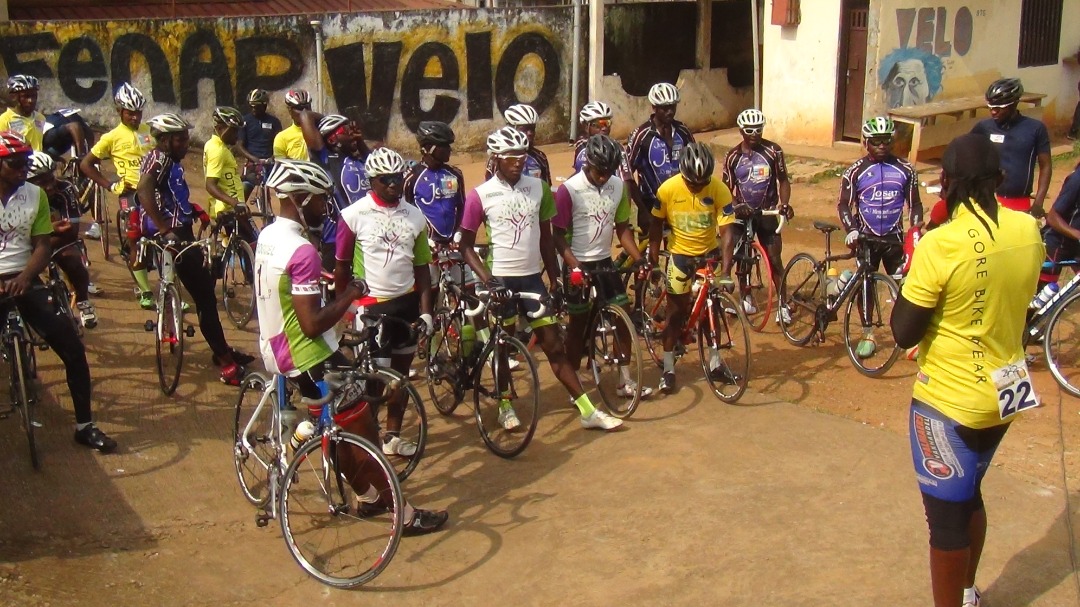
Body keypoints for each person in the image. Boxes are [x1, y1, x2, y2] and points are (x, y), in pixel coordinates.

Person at [256, 158, 448, 535]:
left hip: (276, 346)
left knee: (339, 427)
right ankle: (405, 516)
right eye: (318, 200)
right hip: (308, 353)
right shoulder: (302, 250)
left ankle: (367, 493)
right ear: (299, 198)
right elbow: (312, 323)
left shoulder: (268, 237)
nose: (324, 207)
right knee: (364, 433)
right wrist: (351, 294)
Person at [891, 133, 1043, 607]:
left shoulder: (941, 245)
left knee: (946, 523)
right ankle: (969, 591)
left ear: (945, 183)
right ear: (1000, 180)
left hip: (949, 402)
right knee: (969, 492)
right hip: (1006, 394)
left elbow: (903, 331)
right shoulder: (1028, 230)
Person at [461, 126, 623, 431]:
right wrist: (487, 280)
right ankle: (505, 404)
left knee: (554, 346)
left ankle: (588, 411)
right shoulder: (479, 196)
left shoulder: (539, 189)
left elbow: (547, 241)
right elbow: (466, 247)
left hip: (532, 280)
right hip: (501, 282)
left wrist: (554, 281)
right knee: (502, 347)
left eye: (521, 155)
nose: (518, 161)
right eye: (510, 156)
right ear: (495, 157)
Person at [0, 131, 115, 452]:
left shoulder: (35, 195)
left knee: (74, 351)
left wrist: (25, 276)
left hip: (25, 278)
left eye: (25, 163)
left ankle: (84, 426)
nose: (22, 169)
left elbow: (40, 245)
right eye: (14, 164)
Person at [135, 113, 253, 386]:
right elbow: (144, 190)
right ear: (164, 140)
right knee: (205, 298)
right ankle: (225, 361)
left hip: (179, 230)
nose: (186, 143)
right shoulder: (160, 159)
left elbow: (170, 197)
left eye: (186, 137)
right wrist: (165, 229)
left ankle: (220, 348)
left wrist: (194, 210)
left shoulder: (169, 160)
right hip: (173, 236)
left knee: (205, 287)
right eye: (180, 139)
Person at [334, 147, 433, 457]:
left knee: (400, 379)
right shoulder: (353, 216)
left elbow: (422, 270)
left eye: (398, 178)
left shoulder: (415, 216)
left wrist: (427, 312)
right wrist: (343, 312)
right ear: (371, 181)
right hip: (371, 307)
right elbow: (341, 267)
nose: (393, 184)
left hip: (406, 305)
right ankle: (368, 439)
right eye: (385, 179)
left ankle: (391, 436)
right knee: (374, 381)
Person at [553, 134, 653, 399]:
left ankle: (625, 380)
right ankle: (574, 386)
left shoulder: (619, 187)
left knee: (624, 315)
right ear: (588, 164)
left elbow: (623, 228)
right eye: (599, 171)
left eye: (608, 172)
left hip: (603, 262)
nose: (603, 177)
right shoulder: (569, 191)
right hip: (577, 263)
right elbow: (557, 234)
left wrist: (639, 259)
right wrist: (574, 265)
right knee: (578, 325)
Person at [648, 142, 736, 395]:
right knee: (675, 313)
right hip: (680, 256)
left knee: (713, 310)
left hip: (708, 255)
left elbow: (727, 233)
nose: (697, 186)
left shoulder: (719, 189)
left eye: (702, 182)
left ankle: (716, 362)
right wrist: (653, 261)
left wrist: (727, 273)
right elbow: (655, 227)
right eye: (692, 182)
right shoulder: (667, 190)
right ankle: (668, 369)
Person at [837, 116, 923, 358]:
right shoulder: (855, 171)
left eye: (886, 141)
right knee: (867, 287)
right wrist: (851, 229)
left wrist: (914, 230)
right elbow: (844, 204)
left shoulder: (906, 170)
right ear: (866, 142)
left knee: (906, 289)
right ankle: (867, 334)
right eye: (876, 142)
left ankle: (910, 338)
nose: (882, 146)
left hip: (894, 239)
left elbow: (915, 204)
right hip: (866, 238)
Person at [80, 83, 156, 308]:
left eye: (138, 112)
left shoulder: (149, 131)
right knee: (135, 236)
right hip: (129, 191)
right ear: (119, 111)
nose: (135, 117)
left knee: (164, 234)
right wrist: (109, 185)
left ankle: (167, 286)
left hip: (152, 190)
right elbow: (86, 164)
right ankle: (145, 290)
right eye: (130, 112)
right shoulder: (111, 137)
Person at [722, 108, 793, 319]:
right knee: (740, 256)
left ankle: (783, 305)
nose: (754, 134)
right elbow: (726, 186)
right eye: (750, 130)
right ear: (741, 131)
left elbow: (783, 180)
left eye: (758, 129)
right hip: (743, 213)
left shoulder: (773, 151)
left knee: (774, 259)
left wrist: (784, 204)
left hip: (767, 211)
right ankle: (746, 297)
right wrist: (736, 205)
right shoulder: (732, 156)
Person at [26, 151, 97, 328]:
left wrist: (39, 248)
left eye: (51, 178)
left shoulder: (65, 189)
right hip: (31, 243)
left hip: (56, 241)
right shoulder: (17, 196)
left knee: (72, 260)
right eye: (42, 182)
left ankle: (83, 301)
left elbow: (70, 232)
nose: (50, 186)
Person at [302, 112, 371, 271]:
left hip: (366, 236)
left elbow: (375, 164)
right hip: (336, 240)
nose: (352, 135)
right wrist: (327, 118)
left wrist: (359, 141)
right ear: (332, 139)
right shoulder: (327, 160)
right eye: (345, 132)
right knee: (336, 292)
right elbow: (306, 116)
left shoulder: (361, 161)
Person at [971, 78, 1051, 215]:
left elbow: (1046, 166)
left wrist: (1038, 203)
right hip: (989, 201)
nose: (993, 112)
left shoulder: (1035, 129)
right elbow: (966, 156)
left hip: (1019, 203)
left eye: (998, 108)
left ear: (1013, 105)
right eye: (991, 108)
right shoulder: (983, 128)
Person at [404, 121, 471, 285]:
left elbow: (462, 206)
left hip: (453, 245)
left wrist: (459, 233)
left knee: (469, 287)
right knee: (429, 292)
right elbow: (404, 214)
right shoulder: (411, 177)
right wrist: (423, 240)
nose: (450, 149)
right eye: (444, 146)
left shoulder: (455, 174)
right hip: (427, 247)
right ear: (428, 148)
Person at [625, 82, 695, 232]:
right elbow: (628, 175)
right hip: (650, 203)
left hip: (680, 202)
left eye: (673, 107)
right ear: (654, 108)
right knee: (648, 252)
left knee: (680, 251)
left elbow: (695, 165)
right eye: (665, 108)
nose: (670, 112)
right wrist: (642, 210)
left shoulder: (683, 131)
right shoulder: (641, 135)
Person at [204, 106, 257, 245]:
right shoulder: (218, 151)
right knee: (254, 246)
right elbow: (210, 185)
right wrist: (234, 203)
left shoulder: (215, 146)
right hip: (230, 209)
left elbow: (225, 179)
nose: (237, 135)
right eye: (233, 130)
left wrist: (244, 178)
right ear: (220, 128)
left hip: (230, 207)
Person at [484, 104, 551, 184]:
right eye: (524, 129)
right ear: (511, 129)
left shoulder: (540, 157)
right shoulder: (498, 159)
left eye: (532, 129)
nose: (530, 133)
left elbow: (546, 187)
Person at [1040, 158, 1080, 286]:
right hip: (1058, 244)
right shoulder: (1076, 180)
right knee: (1043, 298)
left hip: (1076, 245)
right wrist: (1077, 234)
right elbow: (1052, 216)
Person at [236, 88, 281, 193]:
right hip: (253, 164)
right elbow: (239, 145)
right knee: (244, 189)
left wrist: (273, 157)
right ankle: (239, 207)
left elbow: (280, 144)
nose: (253, 109)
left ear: (264, 106)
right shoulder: (245, 121)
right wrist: (254, 159)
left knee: (283, 191)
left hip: (271, 163)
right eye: (251, 106)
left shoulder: (274, 122)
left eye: (256, 106)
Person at [0, 75, 46, 151]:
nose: (31, 100)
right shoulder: (4, 120)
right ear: (13, 97)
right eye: (26, 96)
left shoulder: (40, 118)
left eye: (34, 96)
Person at [572, 101, 614, 173]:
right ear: (586, 127)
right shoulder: (582, 146)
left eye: (607, 123)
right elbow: (583, 175)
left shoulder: (617, 148)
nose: (604, 128)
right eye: (598, 125)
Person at [273, 89, 312, 161]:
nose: (304, 112)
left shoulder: (321, 130)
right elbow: (282, 165)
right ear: (290, 110)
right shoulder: (282, 138)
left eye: (307, 107)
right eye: (299, 109)